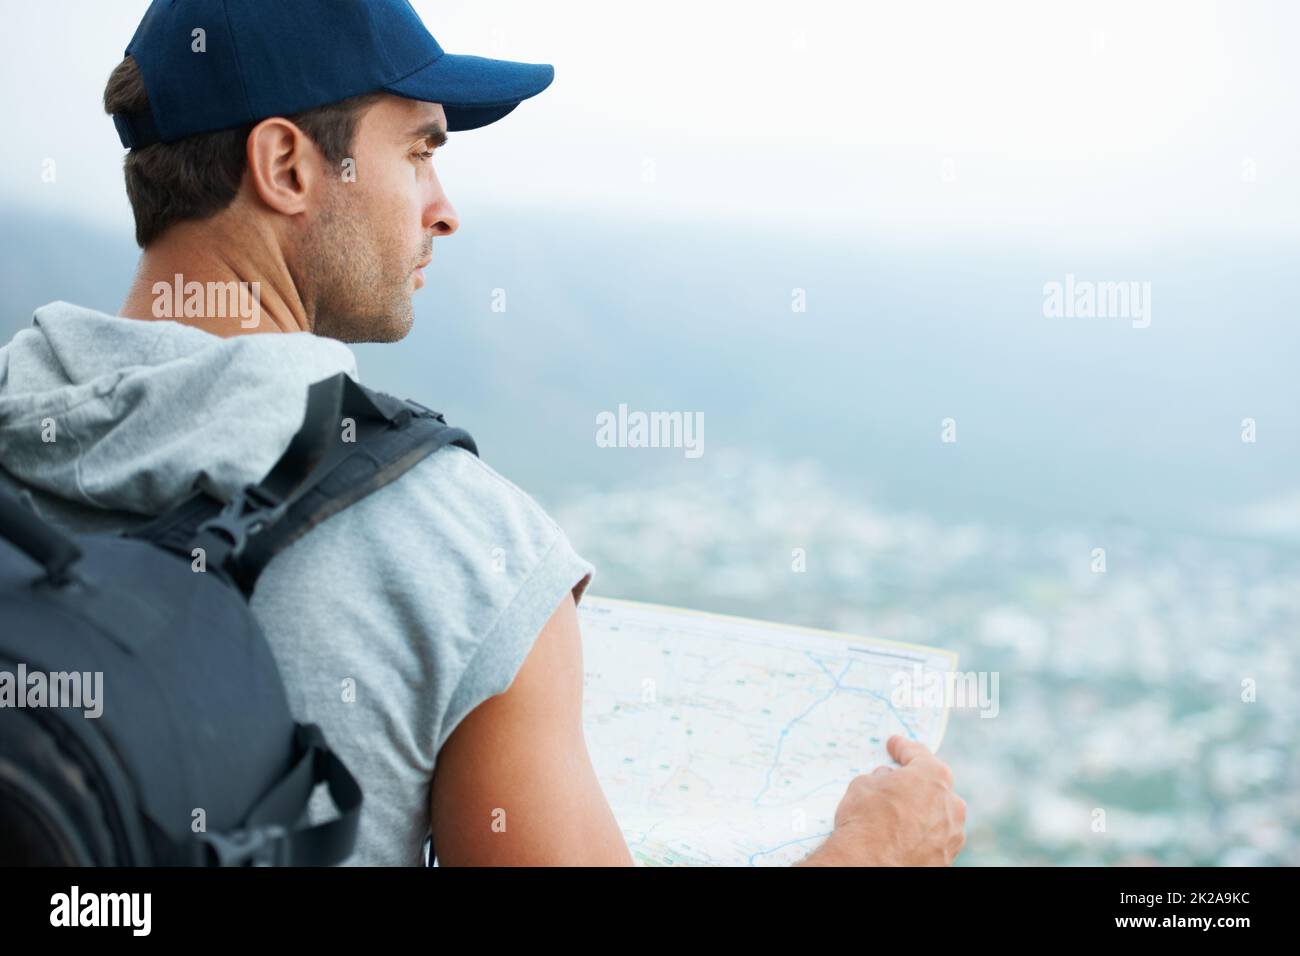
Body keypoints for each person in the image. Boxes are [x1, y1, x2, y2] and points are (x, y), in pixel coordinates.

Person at [0, 0, 964, 867]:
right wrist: (872, 853)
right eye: (419, 151)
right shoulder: (465, 553)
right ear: (287, 165)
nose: (443, 209)